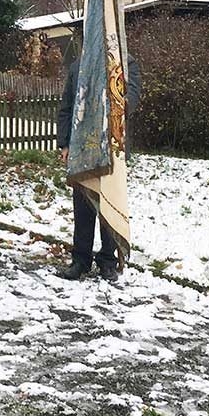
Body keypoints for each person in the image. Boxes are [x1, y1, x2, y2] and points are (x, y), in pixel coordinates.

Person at [56, 50, 141, 282]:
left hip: (112, 148)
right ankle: (80, 260)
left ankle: (107, 261)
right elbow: (67, 107)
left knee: (109, 203)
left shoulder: (126, 63)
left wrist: (112, 97)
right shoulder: (78, 66)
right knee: (83, 206)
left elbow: (131, 99)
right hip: (83, 147)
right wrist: (64, 143)